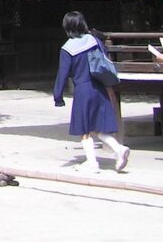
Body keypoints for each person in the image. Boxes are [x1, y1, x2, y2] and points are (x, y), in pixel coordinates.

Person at [52, 11, 130, 173]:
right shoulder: (95, 41)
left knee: (85, 129)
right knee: (97, 127)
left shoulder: (67, 48)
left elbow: (63, 73)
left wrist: (57, 95)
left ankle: (92, 163)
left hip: (83, 89)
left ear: (67, 27)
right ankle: (119, 149)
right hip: (100, 87)